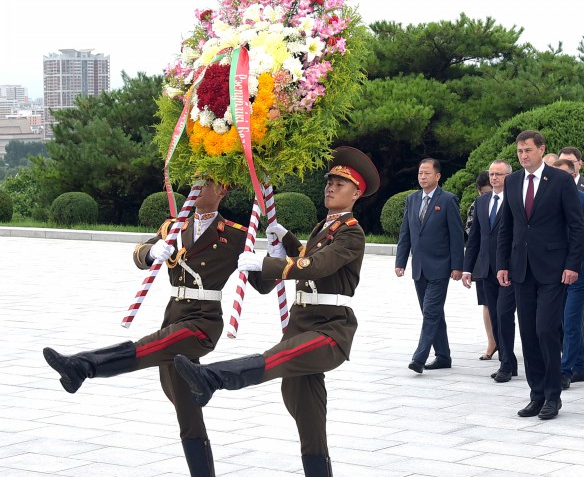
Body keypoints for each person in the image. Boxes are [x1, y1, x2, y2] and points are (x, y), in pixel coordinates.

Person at [42, 178, 270, 476]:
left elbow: (263, 285)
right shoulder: (173, 227)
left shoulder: (236, 235)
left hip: (203, 321)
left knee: (149, 347)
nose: (197, 186)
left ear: (222, 190)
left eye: (207, 182)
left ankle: (83, 366)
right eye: (195, 180)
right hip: (173, 315)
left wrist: (270, 258)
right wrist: (151, 253)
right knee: (188, 412)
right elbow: (140, 254)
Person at [173, 147, 380, 476]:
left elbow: (318, 265)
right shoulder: (324, 227)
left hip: (330, 330)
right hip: (302, 325)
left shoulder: (351, 232)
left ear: (356, 193)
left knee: (277, 358)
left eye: (340, 184)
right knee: (308, 417)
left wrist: (266, 263)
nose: (330, 188)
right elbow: (309, 255)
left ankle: (212, 378)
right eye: (329, 182)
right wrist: (288, 240)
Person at [497, 130, 584, 421]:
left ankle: (552, 395)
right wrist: (502, 264)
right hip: (521, 269)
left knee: (546, 330)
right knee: (528, 333)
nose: (523, 155)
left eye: (528, 150)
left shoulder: (560, 180)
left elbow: (576, 225)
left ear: (542, 149)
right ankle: (536, 394)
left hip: (553, 269)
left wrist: (572, 265)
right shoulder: (512, 181)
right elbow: (507, 227)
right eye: (519, 151)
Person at [395, 158, 464, 372]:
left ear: (437, 176)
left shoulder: (448, 200)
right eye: (420, 173)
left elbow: (456, 235)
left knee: (431, 312)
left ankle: (419, 358)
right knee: (432, 313)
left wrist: (457, 266)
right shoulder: (412, 199)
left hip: (441, 266)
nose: (422, 177)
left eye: (427, 173)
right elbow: (406, 232)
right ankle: (443, 356)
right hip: (419, 267)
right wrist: (401, 261)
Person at [462, 159, 519, 382]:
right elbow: (475, 238)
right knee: (495, 315)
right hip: (486, 269)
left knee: (504, 314)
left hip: (510, 269)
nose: (493, 178)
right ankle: (508, 361)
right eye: (492, 174)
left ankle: (506, 364)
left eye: (499, 174)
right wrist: (467, 268)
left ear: (508, 177)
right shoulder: (482, 201)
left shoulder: (515, 199)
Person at [551, 158, 584, 388]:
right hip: (554, 271)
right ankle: (579, 366)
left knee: (571, 319)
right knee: (564, 319)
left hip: (579, 270)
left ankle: (565, 369)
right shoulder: (549, 200)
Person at [466, 170, 497, 360]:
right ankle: (492, 342)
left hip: (506, 262)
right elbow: (472, 235)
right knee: (487, 303)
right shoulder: (477, 205)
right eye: (485, 192)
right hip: (483, 261)